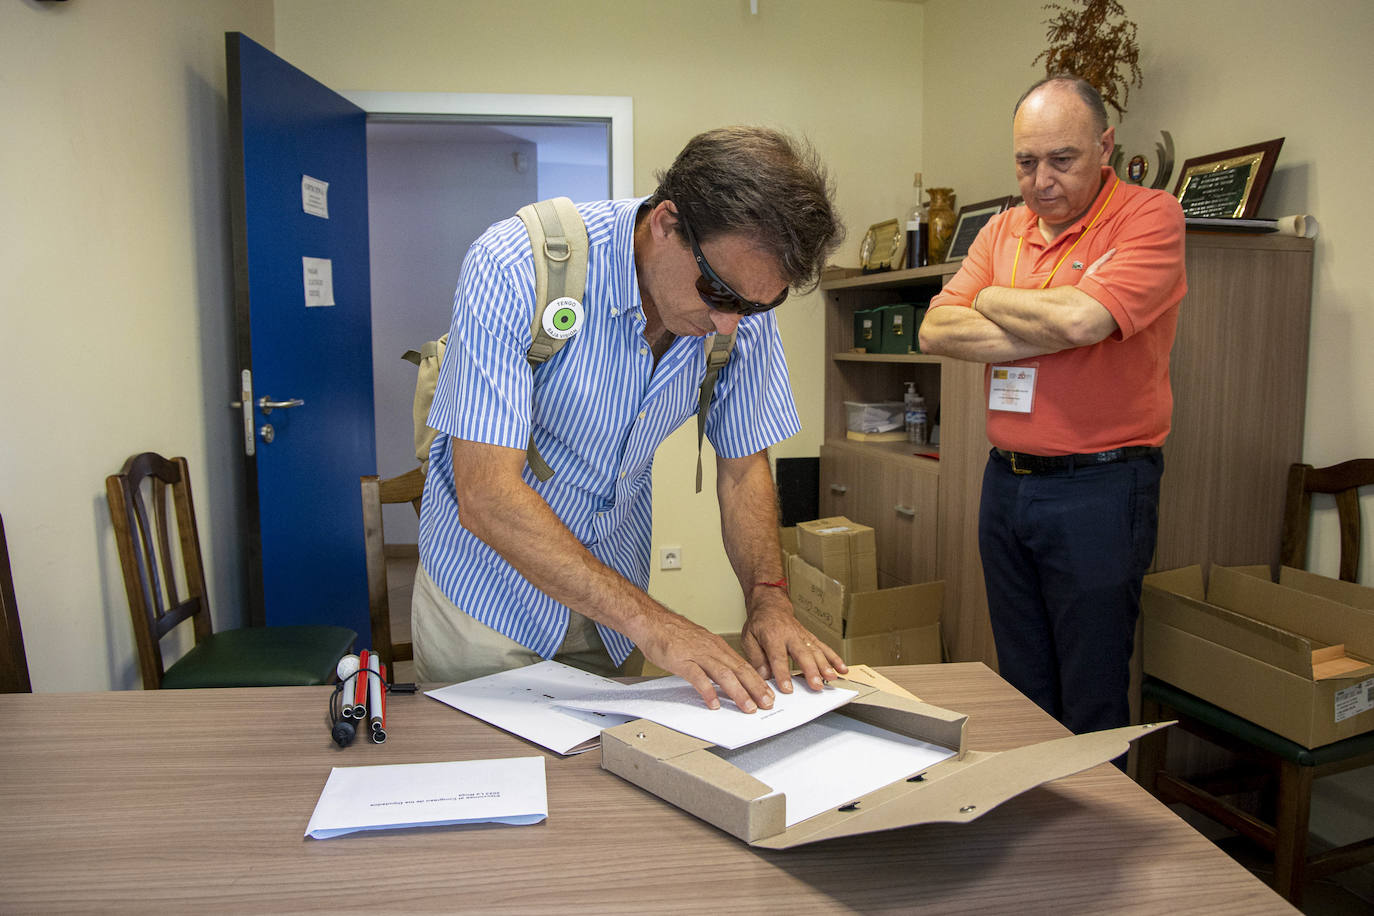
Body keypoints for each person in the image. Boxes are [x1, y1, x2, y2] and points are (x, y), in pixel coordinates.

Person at [414, 126, 848, 712]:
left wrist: (769, 598)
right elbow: (486, 494)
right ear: (666, 224)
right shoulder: (515, 264)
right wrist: (660, 626)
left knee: (607, 788)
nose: (731, 325)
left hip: (612, 613)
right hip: (489, 599)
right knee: (492, 784)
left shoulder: (739, 302)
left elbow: (744, 467)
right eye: (719, 294)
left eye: (757, 306)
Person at [918, 76, 1187, 735]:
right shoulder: (1003, 228)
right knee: (1023, 688)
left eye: (1061, 160)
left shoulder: (1149, 217)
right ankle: (1035, 830)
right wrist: (1052, 318)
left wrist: (989, 299)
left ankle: (1093, 838)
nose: (1041, 181)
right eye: (1025, 162)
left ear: (1104, 147)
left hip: (1102, 487)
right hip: (1007, 482)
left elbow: (1083, 322)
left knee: (1091, 696)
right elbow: (934, 329)